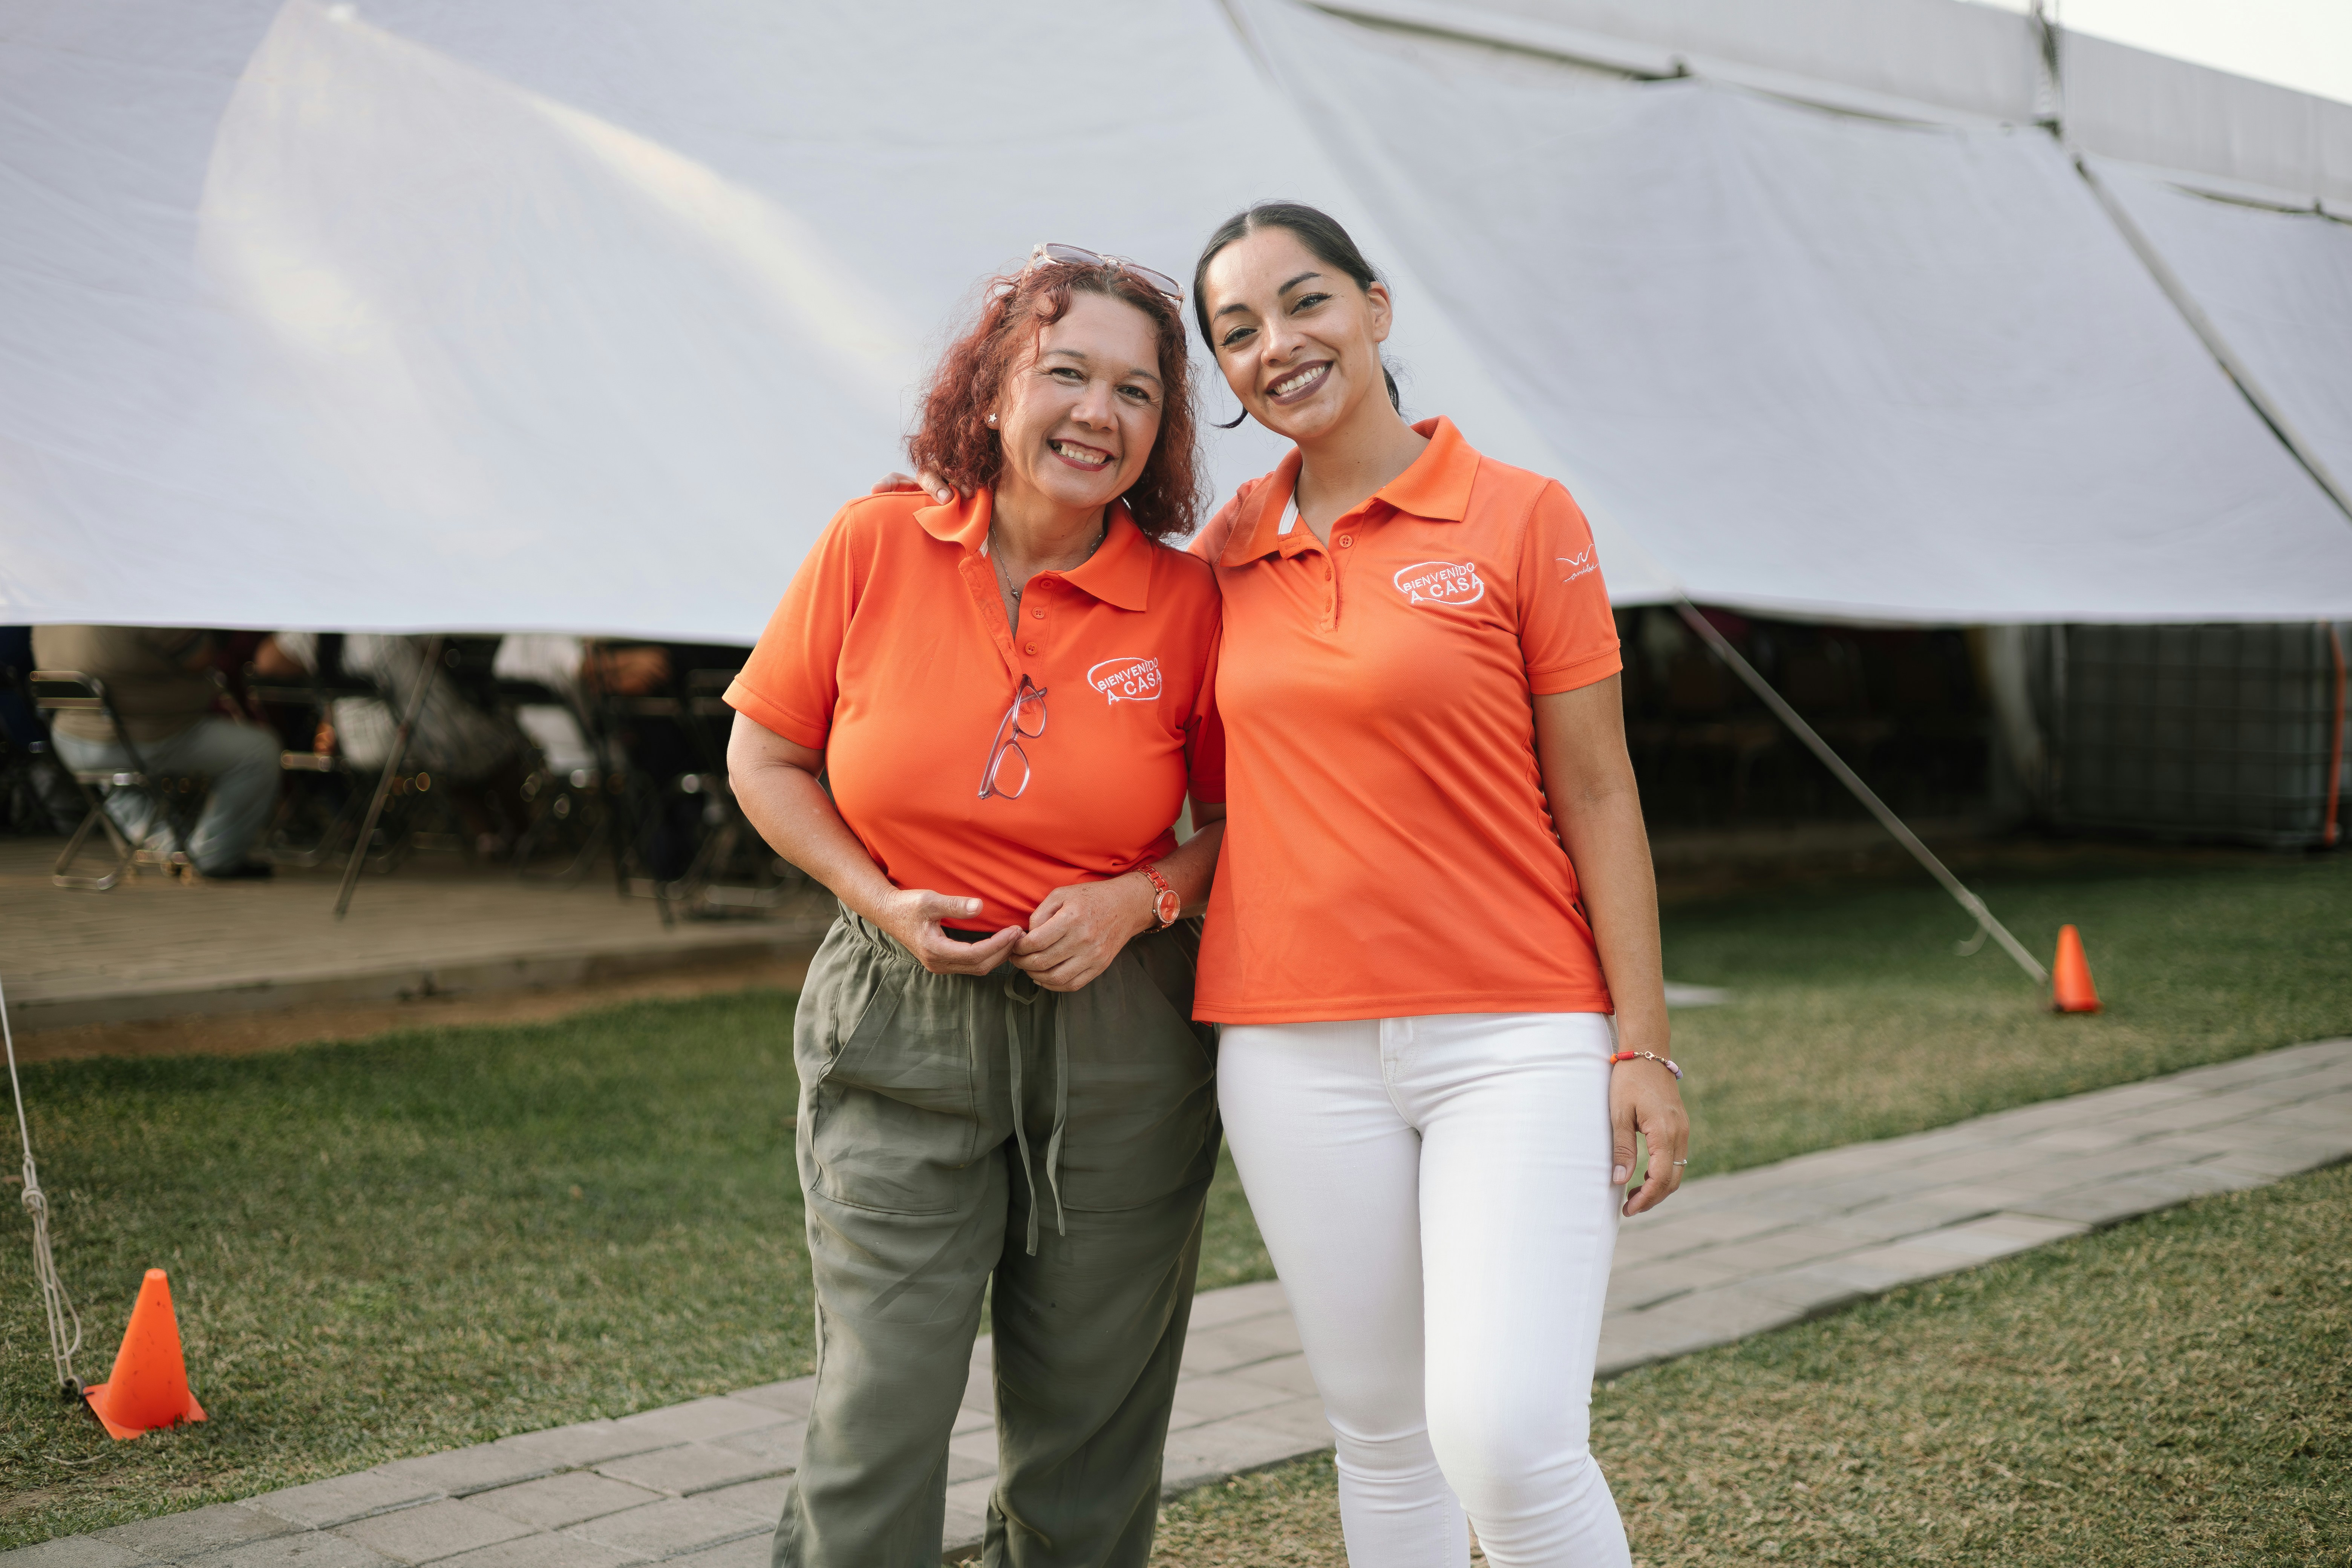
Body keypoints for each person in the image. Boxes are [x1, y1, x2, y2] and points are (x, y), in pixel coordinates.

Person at [1188, 203, 1689, 1567]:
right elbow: (1206, 807)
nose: (1278, 344)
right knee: (1384, 1439)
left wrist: (1642, 1046)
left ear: (1375, 306)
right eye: (1237, 330)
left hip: (1516, 1033)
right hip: (1289, 1050)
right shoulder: (1222, 556)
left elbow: (1599, 792)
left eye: (1305, 301)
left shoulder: (1524, 514)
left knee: (1507, 1437)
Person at [725, 246, 1227, 1567]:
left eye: (1136, 391)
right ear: (994, 390)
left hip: (1123, 1038)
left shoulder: (1191, 602)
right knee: (877, 1412)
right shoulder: (873, 542)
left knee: (1088, 1439)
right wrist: (876, 896)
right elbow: (764, 757)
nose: (1098, 413)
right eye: (1065, 373)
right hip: (898, 1022)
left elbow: (1243, 827)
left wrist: (1137, 901)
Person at [30, 625, 279, 878]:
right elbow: (202, 658)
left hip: (72, 743)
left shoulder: (48, 616)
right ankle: (214, 857)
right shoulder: (143, 611)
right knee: (258, 751)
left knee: (119, 783)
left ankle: (168, 848)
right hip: (143, 738)